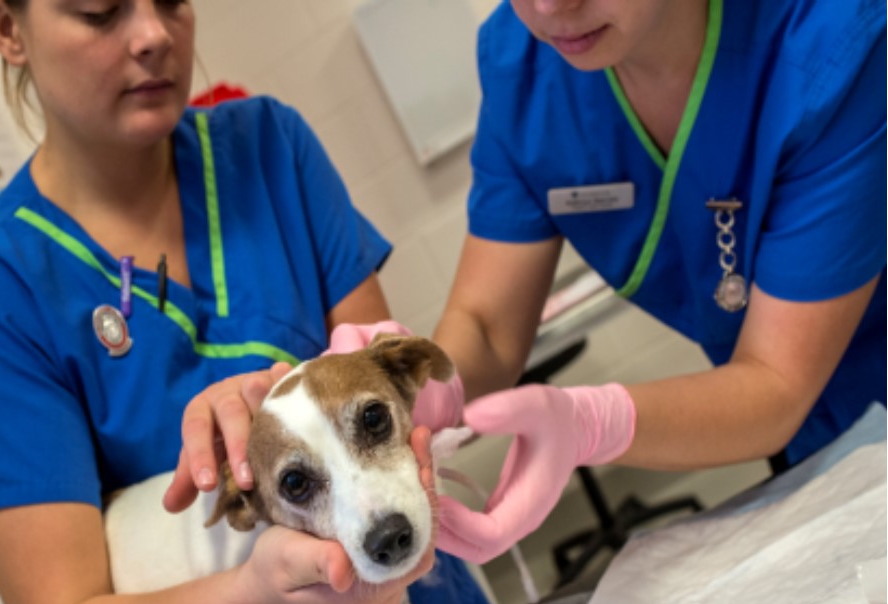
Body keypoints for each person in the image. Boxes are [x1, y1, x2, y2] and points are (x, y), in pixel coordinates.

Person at [0, 1, 494, 604]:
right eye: (100, 9)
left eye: (171, 0)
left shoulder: (268, 148)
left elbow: (394, 381)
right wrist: (258, 596)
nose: (155, 33)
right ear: (6, 26)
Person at [169, 0, 885, 567]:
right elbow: (482, 327)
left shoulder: (834, 37)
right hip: (814, 450)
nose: (549, 6)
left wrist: (589, 422)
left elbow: (775, 383)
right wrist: (406, 384)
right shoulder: (522, 65)